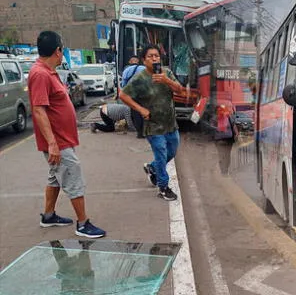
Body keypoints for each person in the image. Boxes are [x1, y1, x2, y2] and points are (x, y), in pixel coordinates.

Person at [28, 31, 106, 238]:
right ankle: (83, 224)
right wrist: (52, 143)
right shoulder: (40, 74)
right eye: (62, 49)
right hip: (57, 142)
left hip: (61, 139)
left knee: (55, 178)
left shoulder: (49, 72)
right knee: (73, 175)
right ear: (58, 50)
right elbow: (38, 109)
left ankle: (48, 216)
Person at [119, 45, 184, 201]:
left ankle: (152, 167)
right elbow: (123, 95)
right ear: (144, 60)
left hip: (170, 123)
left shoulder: (166, 72)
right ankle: (163, 187)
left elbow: (180, 90)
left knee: (172, 152)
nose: (155, 59)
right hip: (153, 126)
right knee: (161, 154)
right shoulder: (139, 79)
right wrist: (140, 109)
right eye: (151, 56)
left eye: (157, 56)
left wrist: (166, 80)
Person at [120, 56, 145, 138]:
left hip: (132, 95)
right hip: (144, 94)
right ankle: (146, 131)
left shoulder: (126, 71)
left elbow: (123, 85)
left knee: (136, 113)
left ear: (130, 62)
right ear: (138, 61)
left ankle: (139, 132)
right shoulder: (144, 68)